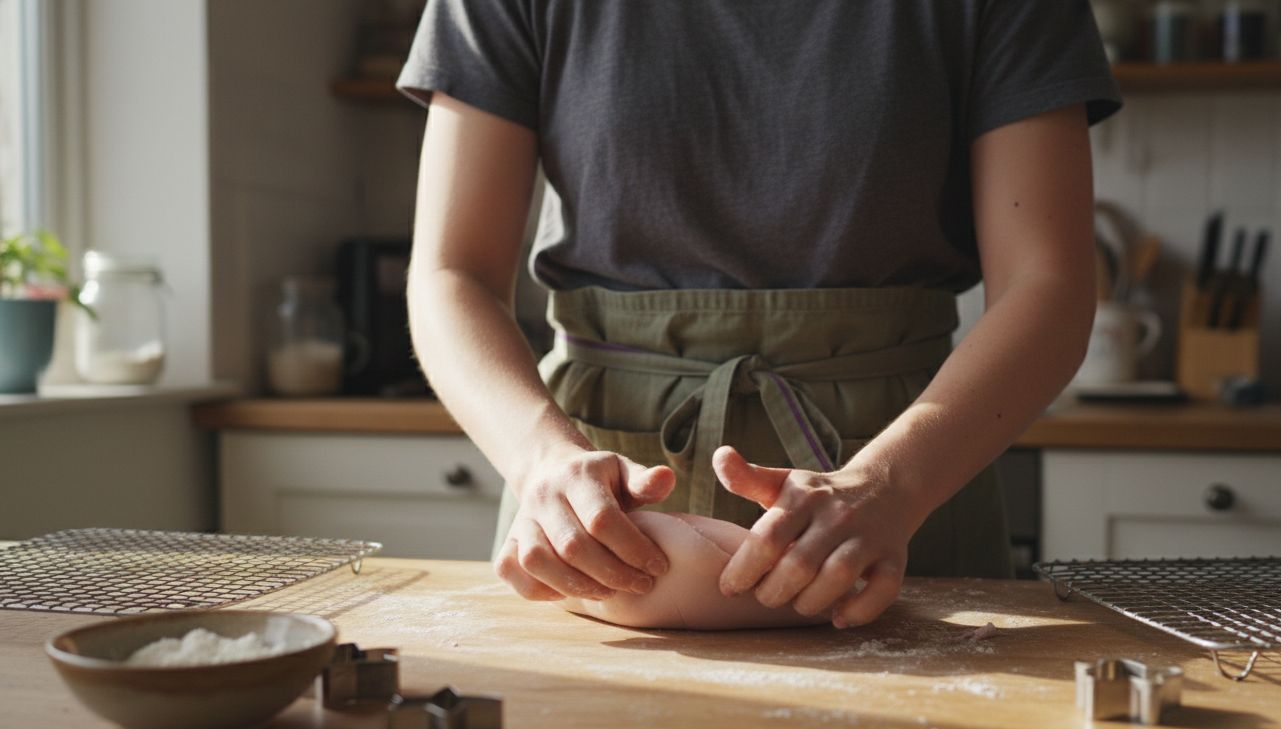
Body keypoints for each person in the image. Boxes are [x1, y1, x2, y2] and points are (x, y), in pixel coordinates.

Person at [397, 1, 1121, 629]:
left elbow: (1047, 284)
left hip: (908, 470)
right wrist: (540, 459)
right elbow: (450, 272)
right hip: (592, 487)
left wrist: (892, 488)